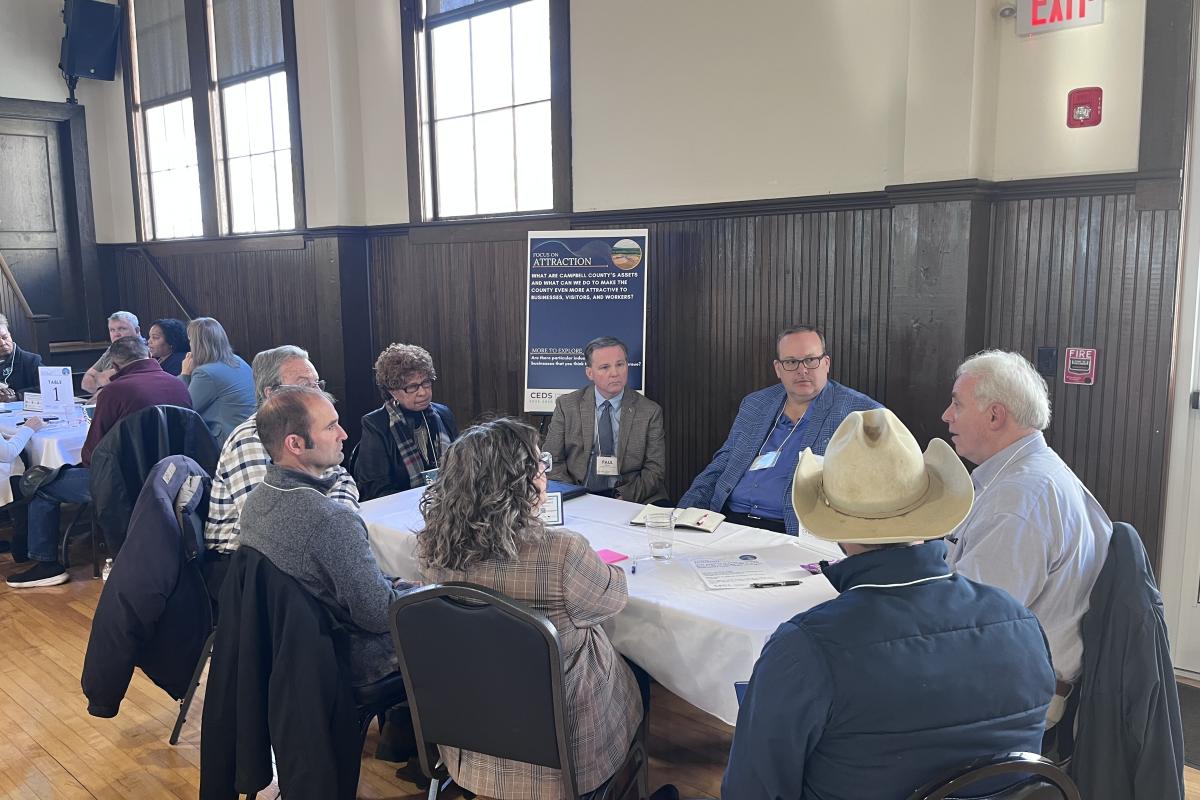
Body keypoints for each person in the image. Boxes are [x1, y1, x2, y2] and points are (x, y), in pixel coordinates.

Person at [723, 408, 1056, 799]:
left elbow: (751, 791)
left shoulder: (805, 649)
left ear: (837, 530)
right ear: (930, 509)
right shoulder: (1021, 624)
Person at [417, 418, 643, 799]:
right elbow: (613, 599)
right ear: (520, 481)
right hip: (567, 756)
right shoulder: (562, 551)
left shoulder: (433, 548)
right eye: (540, 464)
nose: (545, 473)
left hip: (471, 739)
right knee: (637, 667)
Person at [942, 349, 1112, 727]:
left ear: (994, 415)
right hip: (1015, 674)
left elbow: (969, 630)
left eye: (956, 404)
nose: (946, 415)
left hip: (1016, 695)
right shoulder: (1027, 474)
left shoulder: (1020, 499)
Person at [236, 386, 415, 686]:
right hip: (347, 657)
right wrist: (427, 591)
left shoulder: (256, 502)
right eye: (331, 426)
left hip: (286, 657)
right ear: (295, 443)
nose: (343, 434)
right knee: (460, 621)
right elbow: (378, 615)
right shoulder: (330, 519)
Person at [6, 336, 192, 587]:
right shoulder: (177, 384)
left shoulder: (115, 392)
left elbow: (92, 454)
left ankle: (46, 563)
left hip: (123, 483)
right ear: (148, 355)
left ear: (115, 365)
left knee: (41, 484)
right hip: (173, 475)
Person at [678, 325, 880, 534]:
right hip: (726, 523)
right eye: (791, 362)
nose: (802, 370)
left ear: (826, 363)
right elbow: (722, 464)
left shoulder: (862, 413)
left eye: (811, 360)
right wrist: (683, 515)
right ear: (778, 368)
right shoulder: (756, 404)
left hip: (790, 530)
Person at [204, 345, 359, 558]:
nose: (317, 394)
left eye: (317, 384)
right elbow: (268, 524)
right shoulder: (251, 439)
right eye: (305, 386)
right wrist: (332, 523)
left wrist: (338, 519)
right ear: (271, 394)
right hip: (245, 566)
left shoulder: (305, 430)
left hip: (302, 543)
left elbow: (341, 478)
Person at [543, 336, 667, 503]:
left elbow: (654, 470)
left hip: (630, 496)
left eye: (620, 364)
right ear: (590, 373)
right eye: (605, 367)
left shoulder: (649, 411)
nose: (615, 373)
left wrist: (623, 497)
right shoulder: (567, 406)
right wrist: (575, 496)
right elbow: (552, 461)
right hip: (579, 493)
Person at [353, 343, 458, 501]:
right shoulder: (375, 424)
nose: (423, 392)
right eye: (412, 387)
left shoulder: (443, 414)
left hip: (448, 503)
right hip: (401, 510)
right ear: (392, 391)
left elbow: (462, 467)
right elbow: (375, 489)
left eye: (426, 383)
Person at [180, 317, 255, 446]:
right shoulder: (238, 361)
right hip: (249, 432)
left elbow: (184, 410)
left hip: (225, 442)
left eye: (190, 340)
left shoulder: (206, 374)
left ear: (196, 344)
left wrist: (185, 374)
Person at [81, 311, 142, 394]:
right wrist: (102, 389)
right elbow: (86, 380)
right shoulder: (111, 350)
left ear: (137, 330)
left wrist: (101, 381)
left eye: (122, 329)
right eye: (112, 330)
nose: (116, 334)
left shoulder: (143, 351)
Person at [0, 313, 44, 396]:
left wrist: (18, 396)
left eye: (5, 337)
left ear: (10, 334)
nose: (2, 343)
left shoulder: (32, 361)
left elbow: (47, 387)